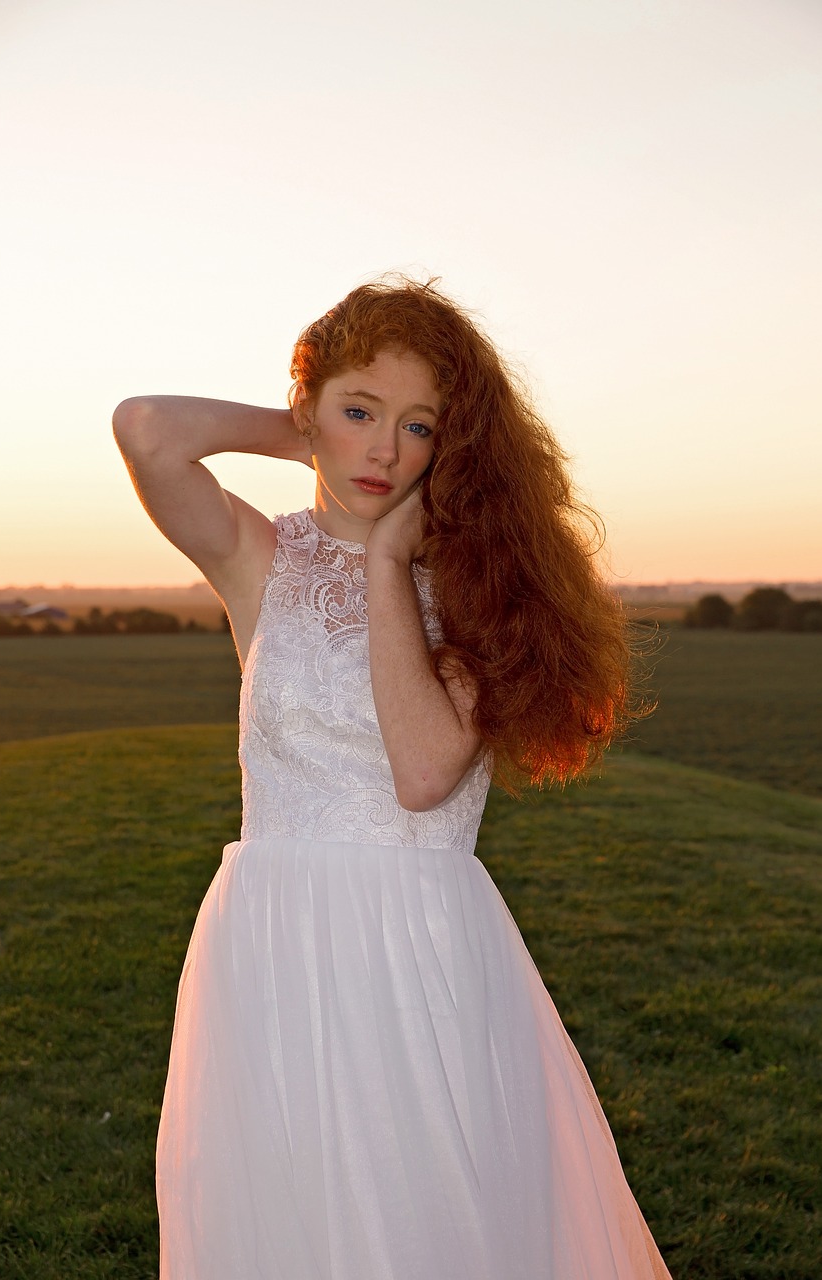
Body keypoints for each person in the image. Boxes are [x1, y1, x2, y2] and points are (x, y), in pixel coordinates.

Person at [113, 276, 672, 1280]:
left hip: (420, 949)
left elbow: (422, 773)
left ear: (452, 445)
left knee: (425, 1219)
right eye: (359, 412)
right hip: (271, 943)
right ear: (310, 408)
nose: (384, 451)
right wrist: (304, 435)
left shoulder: (483, 592)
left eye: (419, 427)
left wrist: (386, 564)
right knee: (289, 1219)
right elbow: (146, 428)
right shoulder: (260, 557)